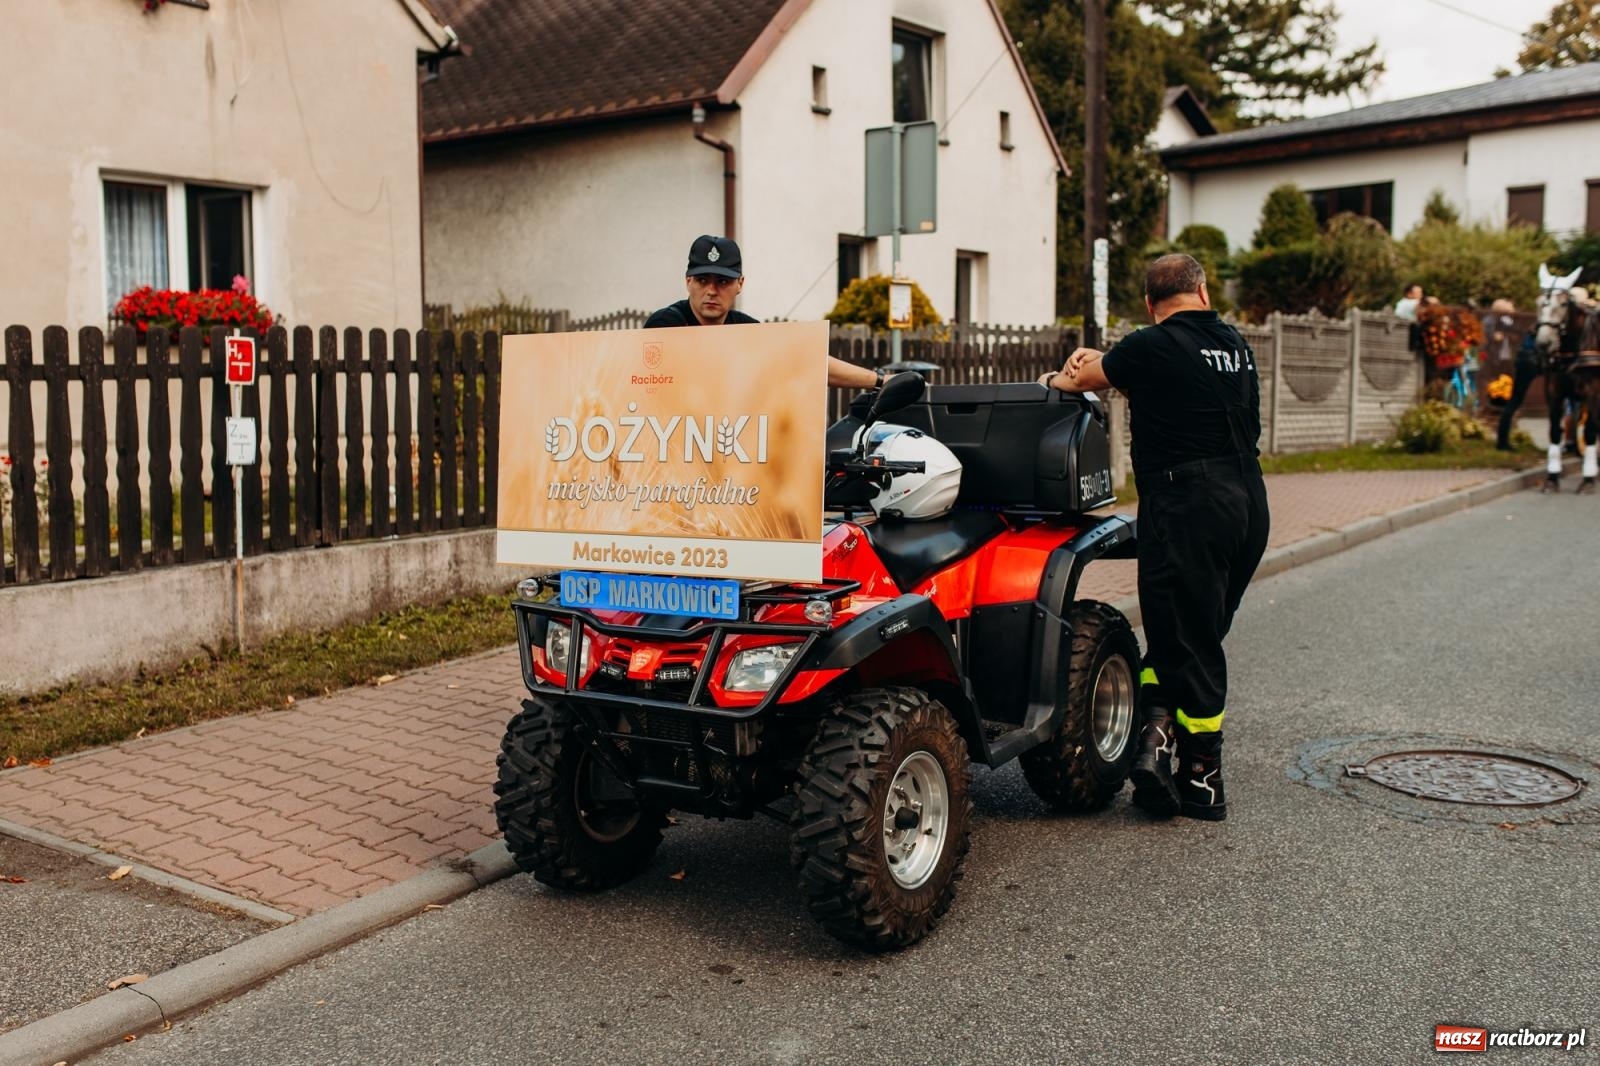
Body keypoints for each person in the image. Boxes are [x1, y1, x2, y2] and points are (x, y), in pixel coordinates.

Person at [1040, 253, 1270, 821]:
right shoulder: (1235, 344)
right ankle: (1154, 741)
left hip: (1186, 506)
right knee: (1191, 632)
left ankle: (1202, 777)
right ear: (1203, 291)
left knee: (1191, 642)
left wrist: (1059, 376)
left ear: (1149, 304)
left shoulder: (1151, 345)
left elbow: (1084, 378)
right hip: (1247, 504)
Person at [645, 234, 880, 389]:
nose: (711, 290)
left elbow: (807, 361)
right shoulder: (666, 324)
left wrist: (880, 381)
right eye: (702, 280)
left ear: (740, 284)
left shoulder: (748, 330)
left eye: (723, 282)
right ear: (688, 281)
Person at [1485, 299, 1532, 451]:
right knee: (1499, 395)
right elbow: (1487, 338)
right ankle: (1499, 435)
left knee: (1508, 395)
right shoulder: (1490, 321)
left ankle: (1505, 434)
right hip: (1493, 361)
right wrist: (1494, 337)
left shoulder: (1509, 322)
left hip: (1509, 359)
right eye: (1508, 310)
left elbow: (1517, 334)